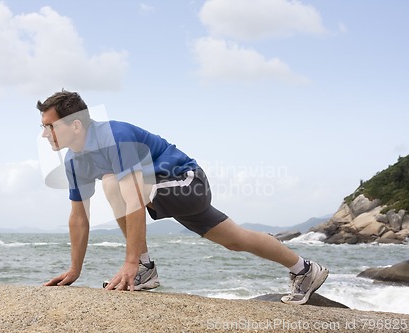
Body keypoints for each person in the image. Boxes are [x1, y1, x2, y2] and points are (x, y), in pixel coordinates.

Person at [39, 90, 328, 305]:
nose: (44, 134)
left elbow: (135, 199)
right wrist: (75, 269)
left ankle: (143, 267)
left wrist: (131, 263)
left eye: (49, 126)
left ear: (75, 125)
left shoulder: (115, 136)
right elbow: (79, 218)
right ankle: (304, 269)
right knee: (236, 239)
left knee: (114, 183)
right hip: (164, 194)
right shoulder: (74, 162)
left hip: (188, 183)